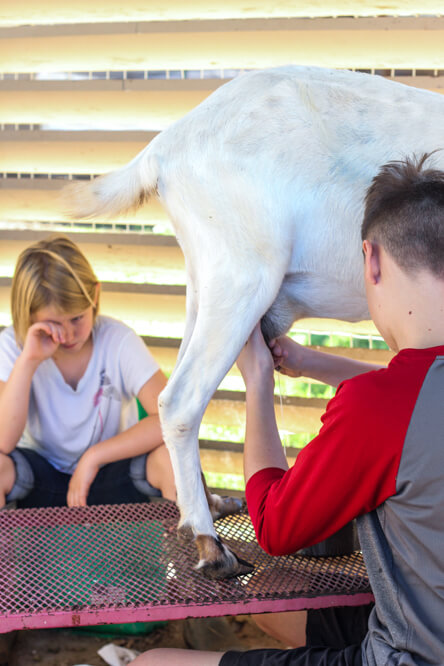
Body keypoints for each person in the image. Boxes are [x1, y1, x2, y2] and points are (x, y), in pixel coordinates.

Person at [132, 152, 444, 666]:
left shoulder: (378, 409)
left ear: (370, 260)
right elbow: (415, 403)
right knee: (274, 596)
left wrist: (257, 383)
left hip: (410, 655)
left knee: (151, 664)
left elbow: (275, 526)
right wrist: (311, 361)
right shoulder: (399, 401)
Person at [0, 234, 176, 509]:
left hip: (110, 471)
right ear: (29, 317)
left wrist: (94, 456)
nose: (69, 334)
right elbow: (3, 442)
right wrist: (29, 360)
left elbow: (172, 418)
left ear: (94, 296)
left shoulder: (117, 340)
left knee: (172, 458)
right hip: (41, 477)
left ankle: (192, 549)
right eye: (53, 324)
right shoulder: (13, 346)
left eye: (77, 318)